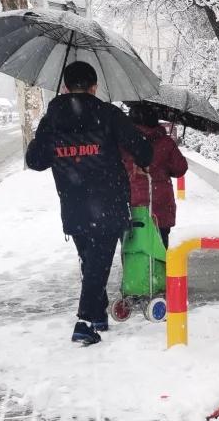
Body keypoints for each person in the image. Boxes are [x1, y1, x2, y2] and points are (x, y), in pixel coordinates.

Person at [25, 61, 152, 345]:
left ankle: (97, 315)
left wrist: (46, 136)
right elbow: (143, 149)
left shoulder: (52, 119)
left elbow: (35, 161)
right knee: (97, 263)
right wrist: (141, 159)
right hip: (109, 203)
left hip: (73, 204)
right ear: (94, 87)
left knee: (91, 262)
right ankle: (84, 321)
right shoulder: (108, 114)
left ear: (65, 87)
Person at [122, 103, 188, 247]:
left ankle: (133, 268)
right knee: (160, 245)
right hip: (160, 203)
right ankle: (159, 268)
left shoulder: (123, 142)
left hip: (131, 201)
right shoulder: (166, 142)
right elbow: (180, 168)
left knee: (132, 247)